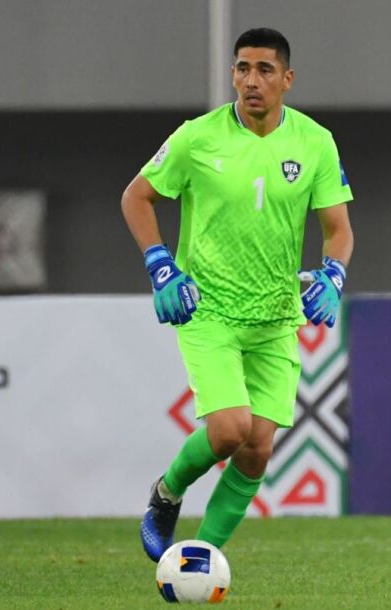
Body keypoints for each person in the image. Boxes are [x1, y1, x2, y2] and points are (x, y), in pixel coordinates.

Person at [121, 27, 354, 561]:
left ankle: (198, 559)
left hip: (275, 316)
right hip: (209, 310)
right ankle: (166, 494)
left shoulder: (315, 142)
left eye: (264, 70)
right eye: (243, 69)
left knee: (257, 450)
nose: (251, 80)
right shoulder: (196, 138)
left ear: (287, 79)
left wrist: (333, 275)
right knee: (229, 430)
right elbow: (136, 197)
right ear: (232, 75)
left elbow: (339, 230)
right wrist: (160, 266)